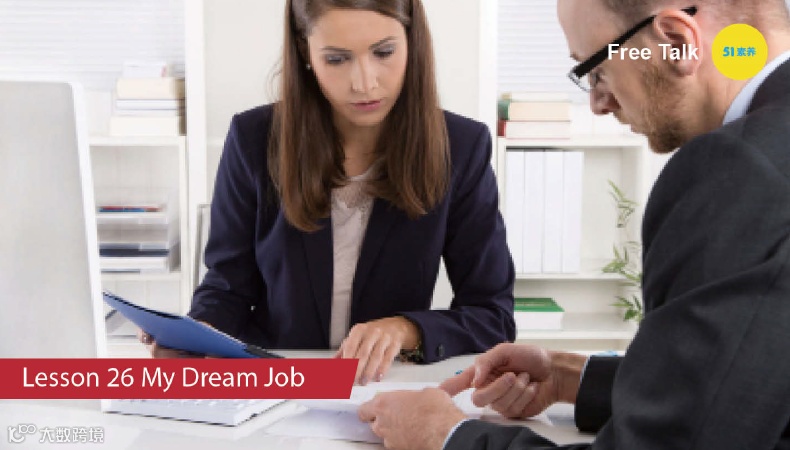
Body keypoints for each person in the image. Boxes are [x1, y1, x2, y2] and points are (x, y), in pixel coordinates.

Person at [358, 0, 790, 447]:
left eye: (597, 71)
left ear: (677, 42)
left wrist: (444, 435)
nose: (598, 104)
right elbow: (749, 387)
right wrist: (577, 379)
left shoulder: (739, 169)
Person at [142, 0, 515, 385]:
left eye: (384, 52)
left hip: (386, 387)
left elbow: (492, 316)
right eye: (337, 59)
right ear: (305, 52)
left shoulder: (461, 147)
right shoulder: (253, 139)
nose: (364, 83)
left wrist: (406, 329)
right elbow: (227, 287)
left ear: (412, 42)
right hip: (276, 382)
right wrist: (194, 335)